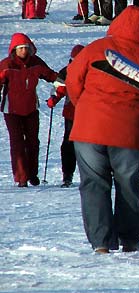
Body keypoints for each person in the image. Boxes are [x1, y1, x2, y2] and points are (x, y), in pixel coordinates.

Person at [65, 6, 139, 254]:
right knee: (128, 183)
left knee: (93, 184)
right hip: (128, 132)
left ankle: (100, 242)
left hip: (88, 129)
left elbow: (73, 82)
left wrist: (85, 108)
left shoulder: (95, 49)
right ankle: (130, 239)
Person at [0, 33, 58, 187]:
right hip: (11, 110)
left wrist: (66, 80)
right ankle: (21, 178)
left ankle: (33, 174)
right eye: (20, 48)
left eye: (26, 48)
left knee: (33, 142)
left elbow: (51, 75)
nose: (24, 51)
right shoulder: (7, 65)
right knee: (17, 143)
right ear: (14, 50)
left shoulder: (36, 63)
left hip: (31, 108)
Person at [46, 44, 85, 188]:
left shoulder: (93, 71)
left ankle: (99, 173)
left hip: (90, 114)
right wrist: (53, 99)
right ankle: (67, 175)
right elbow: (59, 88)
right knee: (68, 144)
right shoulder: (66, 72)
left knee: (92, 145)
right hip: (71, 113)